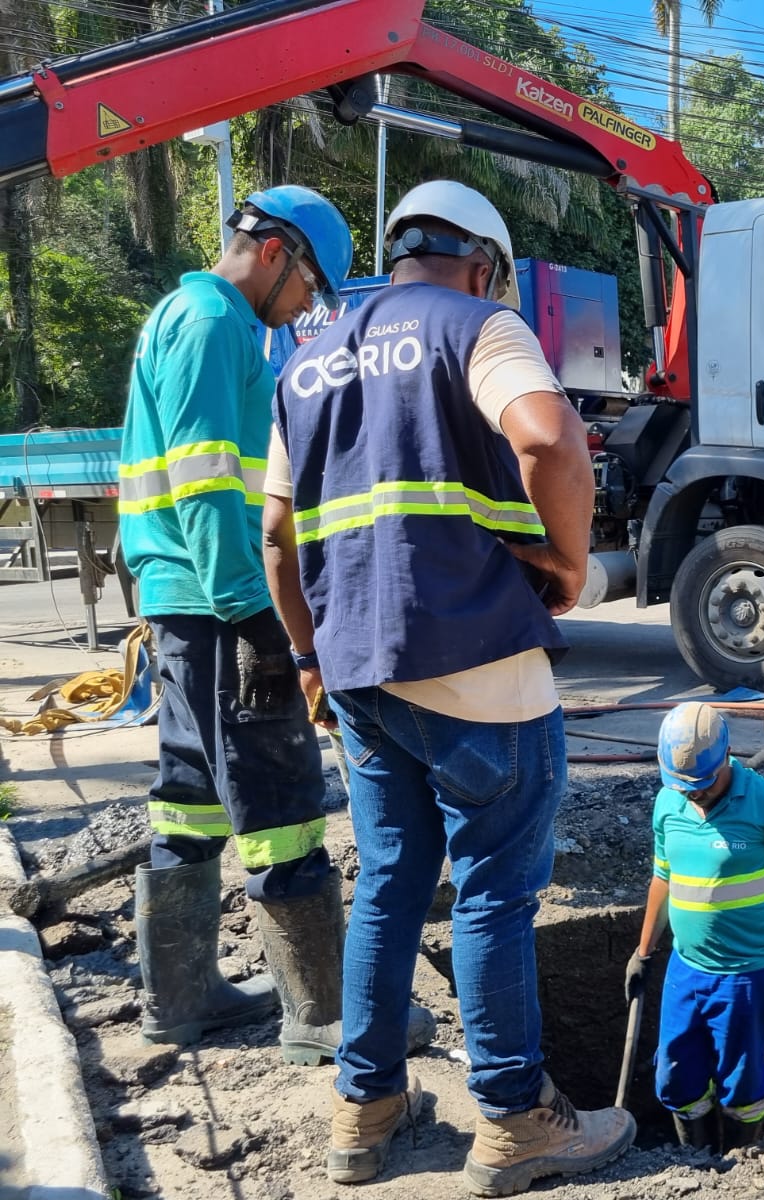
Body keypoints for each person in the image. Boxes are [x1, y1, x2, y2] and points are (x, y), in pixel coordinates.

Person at [263, 179, 633, 1191]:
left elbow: (277, 536)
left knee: (386, 889)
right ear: (484, 264)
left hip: (357, 678)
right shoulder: (479, 325)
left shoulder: (306, 359)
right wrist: (563, 562)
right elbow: (550, 437)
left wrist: (308, 656)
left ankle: (364, 1108)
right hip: (483, 673)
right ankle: (517, 1118)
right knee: (493, 898)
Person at [118, 184, 382, 1065]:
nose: (310, 304)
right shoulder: (215, 323)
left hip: (180, 603)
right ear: (276, 253)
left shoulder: (186, 315)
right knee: (281, 800)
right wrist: (260, 616)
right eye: (311, 283)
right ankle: (324, 1016)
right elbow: (204, 486)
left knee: (189, 795)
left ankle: (182, 997)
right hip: (220, 601)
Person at [624, 703, 764, 1151]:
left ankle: (741, 1161)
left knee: (740, 1078)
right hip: (687, 967)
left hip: (749, 971)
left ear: (726, 757)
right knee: (675, 1072)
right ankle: (697, 1156)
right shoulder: (670, 803)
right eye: (683, 787)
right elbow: (663, 877)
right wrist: (643, 951)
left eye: (700, 785)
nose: (693, 795)